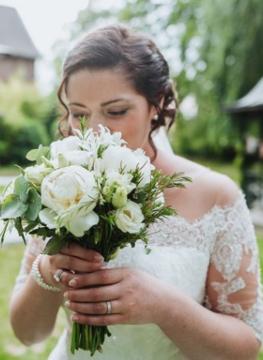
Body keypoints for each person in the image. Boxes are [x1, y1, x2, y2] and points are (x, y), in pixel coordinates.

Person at [9, 24, 263, 360]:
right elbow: (28, 335)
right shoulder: (61, 188)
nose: (94, 131)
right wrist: (47, 270)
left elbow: (245, 347)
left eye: (116, 111)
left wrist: (164, 306)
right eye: (79, 113)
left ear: (156, 104)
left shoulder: (215, 196)